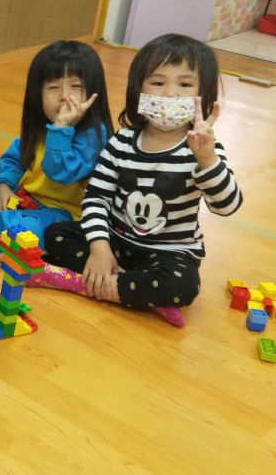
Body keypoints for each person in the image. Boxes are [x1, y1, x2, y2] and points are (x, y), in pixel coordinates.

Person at [35, 34, 242, 327]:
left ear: (204, 93)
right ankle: (132, 289)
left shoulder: (204, 149)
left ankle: (86, 283)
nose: (170, 94)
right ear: (138, 88)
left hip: (169, 253)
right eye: (158, 82)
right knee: (57, 233)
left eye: (185, 85)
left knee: (183, 285)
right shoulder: (122, 142)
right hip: (116, 241)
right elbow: (96, 198)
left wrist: (208, 161)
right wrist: (100, 248)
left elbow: (227, 206)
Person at [0, 41, 113, 261]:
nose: (64, 96)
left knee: (4, 226)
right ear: (37, 94)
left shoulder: (94, 136)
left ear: (94, 92)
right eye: (53, 87)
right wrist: (5, 185)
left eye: (76, 86)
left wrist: (61, 129)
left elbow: (61, 172)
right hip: (24, 194)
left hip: (62, 214)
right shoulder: (42, 125)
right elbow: (15, 159)